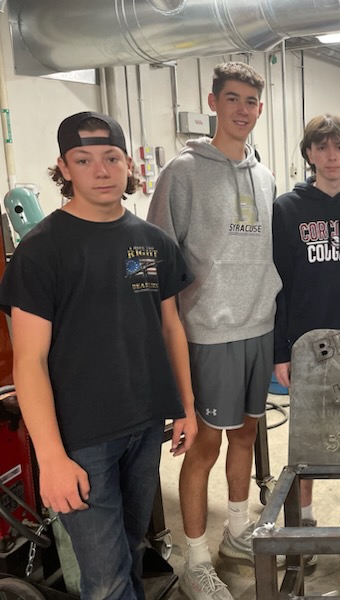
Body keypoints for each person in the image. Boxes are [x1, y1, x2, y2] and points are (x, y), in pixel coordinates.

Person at [0, 111, 196, 600]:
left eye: (111, 158)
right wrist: (50, 458)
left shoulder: (155, 243)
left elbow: (172, 328)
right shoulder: (41, 252)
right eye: (84, 160)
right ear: (64, 168)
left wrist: (187, 409)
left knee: (129, 551)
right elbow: (28, 361)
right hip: (80, 441)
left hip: (145, 426)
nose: (101, 170)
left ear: (128, 164)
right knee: (105, 580)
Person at [147, 62, 282, 600]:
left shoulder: (265, 175)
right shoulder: (182, 172)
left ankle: (237, 532)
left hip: (259, 325)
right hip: (206, 332)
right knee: (203, 447)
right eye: (232, 98)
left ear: (259, 108)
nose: (242, 109)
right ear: (213, 102)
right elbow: (157, 256)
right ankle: (195, 558)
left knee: (247, 436)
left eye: (251, 101)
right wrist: (168, 328)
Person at [272, 113, 340, 566]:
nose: (331, 155)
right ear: (309, 154)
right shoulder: (287, 208)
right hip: (307, 344)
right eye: (321, 147)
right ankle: (306, 520)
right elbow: (278, 284)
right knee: (307, 441)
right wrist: (282, 351)